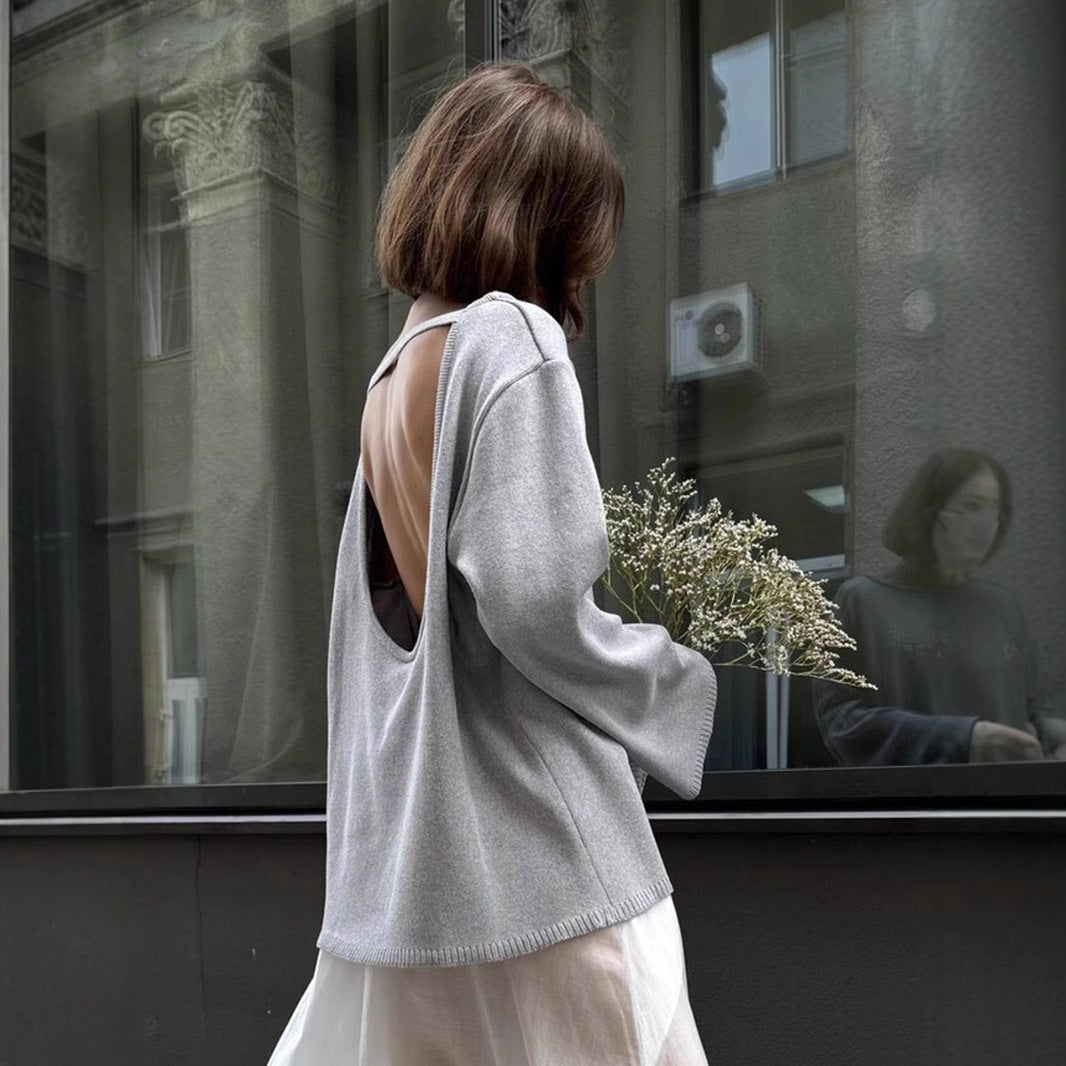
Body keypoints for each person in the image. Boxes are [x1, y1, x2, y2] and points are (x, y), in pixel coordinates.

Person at [266, 63, 717, 1065]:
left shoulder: (396, 372)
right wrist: (670, 680)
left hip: (424, 885)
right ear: (549, 216)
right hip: (543, 862)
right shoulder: (510, 336)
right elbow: (531, 597)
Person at [815, 447, 1066, 765]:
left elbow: (1029, 716)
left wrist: (1054, 735)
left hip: (1007, 795)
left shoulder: (1002, 607)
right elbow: (843, 723)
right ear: (928, 511)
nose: (986, 524)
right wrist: (964, 739)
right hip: (916, 797)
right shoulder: (862, 602)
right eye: (972, 505)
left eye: (995, 510)